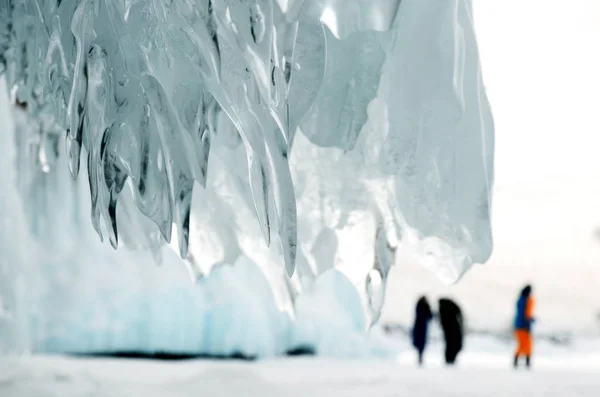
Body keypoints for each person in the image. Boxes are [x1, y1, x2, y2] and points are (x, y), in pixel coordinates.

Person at [513, 284, 535, 368]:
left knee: (522, 344)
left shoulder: (519, 300)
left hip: (518, 325)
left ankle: (517, 361)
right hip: (524, 326)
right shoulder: (528, 300)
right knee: (527, 344)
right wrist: (529, 322)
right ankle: (527, 362)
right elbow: (527, 314)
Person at [438, 298, 464, 365]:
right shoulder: (447, 310)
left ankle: (449, 360)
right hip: (452, 330)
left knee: (451, 345)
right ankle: (450, 360)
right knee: (453, 345)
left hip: (450, 331)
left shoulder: (443, 311)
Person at [411, 296, 433, 366]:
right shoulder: (423, 307)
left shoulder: (419, 307)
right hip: (422, 327)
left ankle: (420, 359)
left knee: (420, 345)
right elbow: (430, 316)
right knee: (421, 345)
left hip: (419, 327)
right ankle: (420, 359)